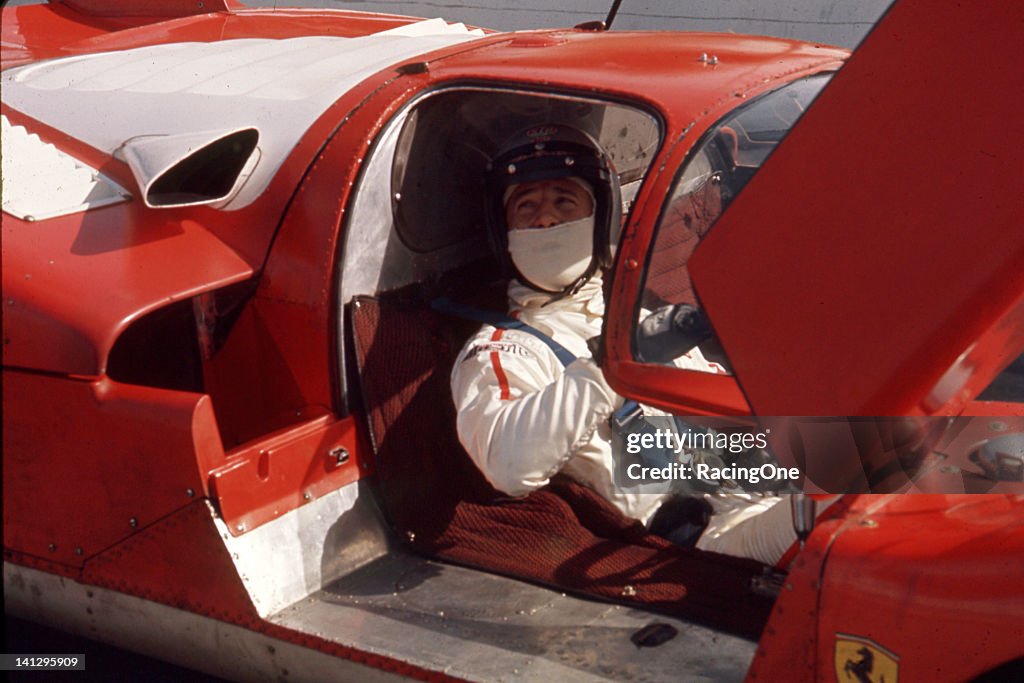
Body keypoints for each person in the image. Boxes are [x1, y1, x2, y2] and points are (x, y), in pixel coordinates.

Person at [449, 123, 817, 565]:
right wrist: (612, 366)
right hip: (708, 536)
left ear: (600, 220)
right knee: (866, 520)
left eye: (564, 202)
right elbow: (510, 466)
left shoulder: (634, 316)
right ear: (503, 233)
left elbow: (730, 415)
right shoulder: (501, 351)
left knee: (908, 456)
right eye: (526, 208)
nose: (545, 219)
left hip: (754, 479)